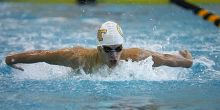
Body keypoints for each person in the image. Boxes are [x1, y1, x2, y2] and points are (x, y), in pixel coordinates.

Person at [5, 21, 193, 73]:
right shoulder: (78, 58)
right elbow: (42, 54)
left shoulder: (136, 57)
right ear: (98, 49)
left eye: (118, 48)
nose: (114, 55)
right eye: (107, 49)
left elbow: (167, 58)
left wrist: (187, 61)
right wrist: (11, 59)